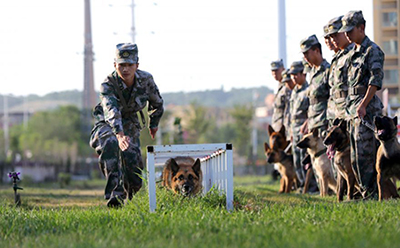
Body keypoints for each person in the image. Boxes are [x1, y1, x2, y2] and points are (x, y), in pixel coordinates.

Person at [89, 43, 164, 207]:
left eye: (130, 65)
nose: (125, 69)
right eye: (122, 65)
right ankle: (115, 197)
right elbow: (111, 111)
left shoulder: (146, 80)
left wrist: (154, 124)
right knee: (110, 144)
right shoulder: (108, 85)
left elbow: (157, 103)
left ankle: (136, 199)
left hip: (130, 121)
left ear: (137, 65)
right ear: (115, 65)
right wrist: (119, 135)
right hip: (107, 123)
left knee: (132, 160)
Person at [339, 10, 384, 199]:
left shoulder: (372, 51)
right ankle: (363, 192)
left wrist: (364, 104)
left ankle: (372, 194)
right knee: (355, 156)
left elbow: (375, 81)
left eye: (351, 30)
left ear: (362, 28)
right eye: (346, 31)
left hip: (367, 110)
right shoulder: (353, 53)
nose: (347, 34)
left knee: (366, 154)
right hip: (353, 111)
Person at [300, 34, 331, 138]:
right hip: (313, 124)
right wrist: (308, 121)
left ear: (317, 50)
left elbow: (332, 98)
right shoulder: (312, 73)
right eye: (303, 54)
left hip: (324, 123)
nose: (305, 57)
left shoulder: (328, 70)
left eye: (307, 53)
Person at [328, 16, 354, 121]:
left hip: (350, 111)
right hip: (337, 112)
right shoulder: (337, 58)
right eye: (331, 36)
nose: (333, 39)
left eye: (336, 35)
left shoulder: (354, 54)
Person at [288, 61, 309, 188]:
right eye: (292, 75)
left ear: (303, 74)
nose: (294, 77)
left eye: (296, 74)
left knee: (304, 157)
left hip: (304, 128)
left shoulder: (308, 90)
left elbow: (311, 109)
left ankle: (310, 186)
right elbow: (291, 113)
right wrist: (291, 131)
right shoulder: (294, 91)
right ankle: (302, 185)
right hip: (294, 128)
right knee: (296, 158)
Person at [270, 59, 290, 132]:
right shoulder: (279, 86)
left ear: (283, 69)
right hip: (277, 125)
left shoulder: (287, 87)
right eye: (273, 71)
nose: (275, 73)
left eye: (277, 70)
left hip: (283, 127)